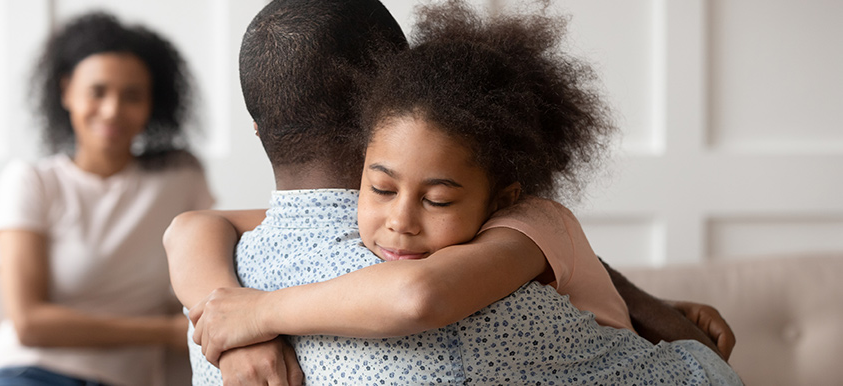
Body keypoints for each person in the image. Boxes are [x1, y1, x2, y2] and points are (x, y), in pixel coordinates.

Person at [165, 0, 737, 384]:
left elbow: (419, 293)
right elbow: (189, 224)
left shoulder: (227, 288)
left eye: (437, 198)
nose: (402, 221)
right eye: (383, 186)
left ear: (259, 128)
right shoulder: (461, 293)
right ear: (376, 112)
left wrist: (252, 314)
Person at [0, 12, 214, 386]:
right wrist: (164, 332)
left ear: (153, 102)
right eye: (97, 91)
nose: (112, 110)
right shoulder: (32, 182)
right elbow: (29, 324)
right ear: (66, 91)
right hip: (27, 371)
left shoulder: (181, 178)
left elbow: (206, 277)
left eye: (132, 95)